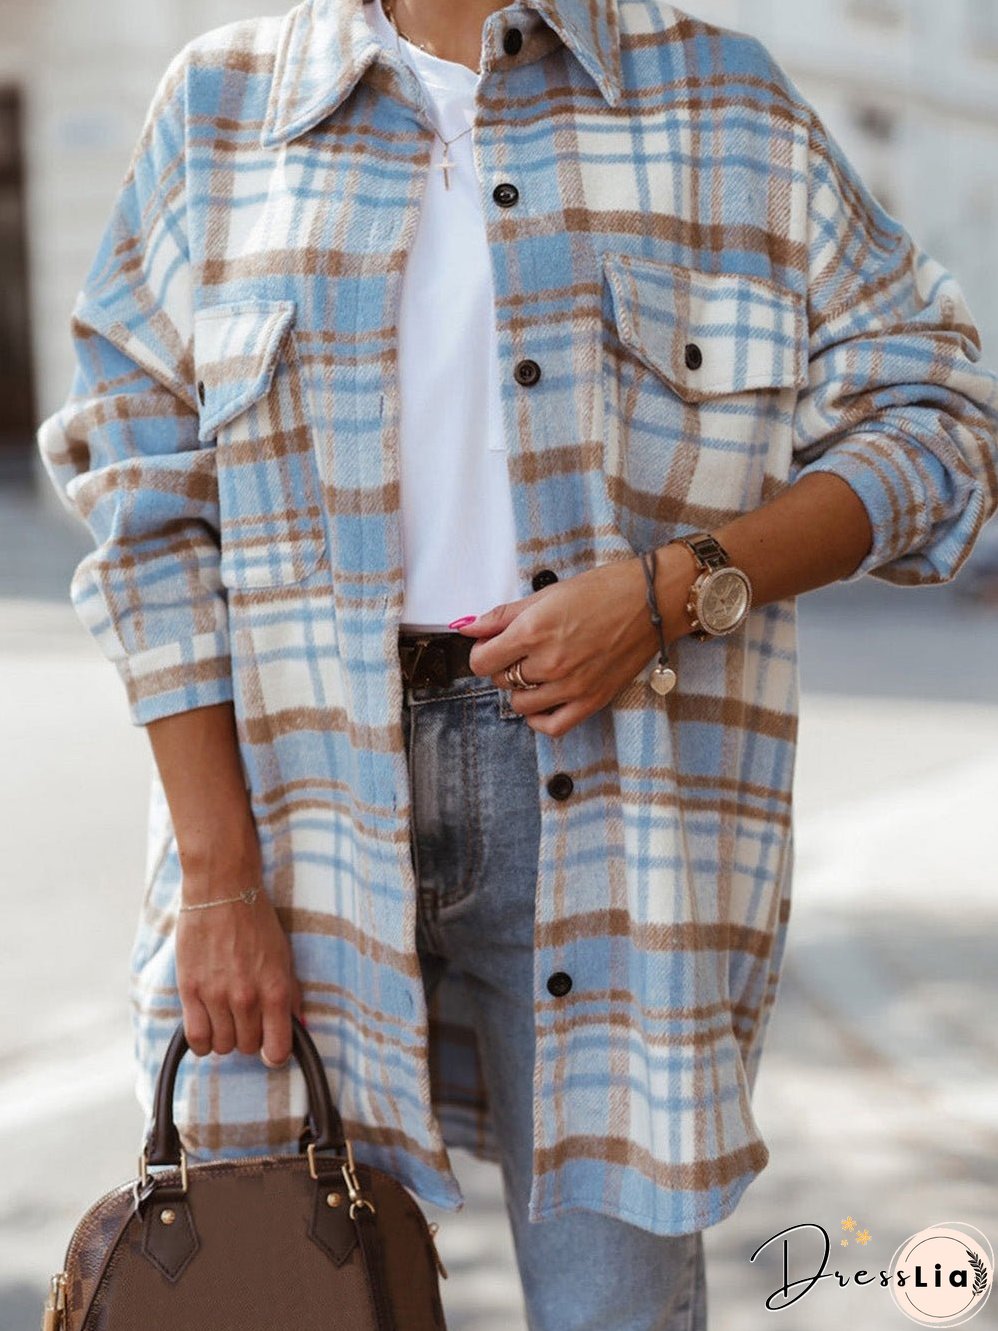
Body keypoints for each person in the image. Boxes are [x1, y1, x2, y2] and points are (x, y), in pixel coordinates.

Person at [36, 0, 998, 1327]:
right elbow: (139, 499)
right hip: (290, 813)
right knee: (275, 1288)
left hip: (615, 804)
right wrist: (215, 877)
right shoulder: (222, 104)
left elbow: (942, 421)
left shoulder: (719, 98)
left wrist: (672, 592)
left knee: (613, 1303)